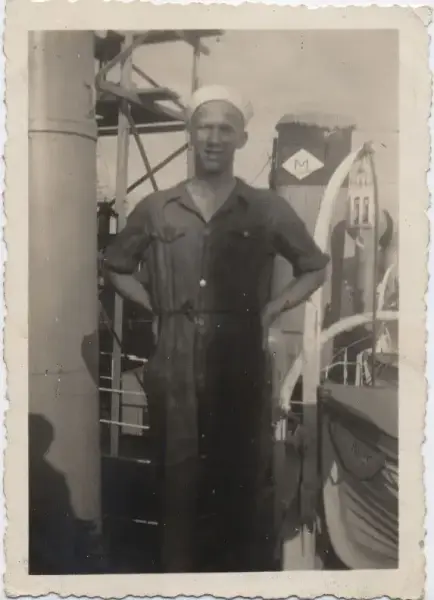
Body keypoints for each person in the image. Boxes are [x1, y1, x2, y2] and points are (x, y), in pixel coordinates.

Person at [104, 84, 330, 573]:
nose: (213, 137)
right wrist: (157, 306)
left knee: (240, 487)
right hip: (174, 367)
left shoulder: (266, 208)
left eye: (225, 129)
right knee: (176, 487)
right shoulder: (156, 208)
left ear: (242, 139)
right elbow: (116, 266)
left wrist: (273, 309)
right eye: (204, 127)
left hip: (240, 365)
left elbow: (315, 266)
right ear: (190, 133)